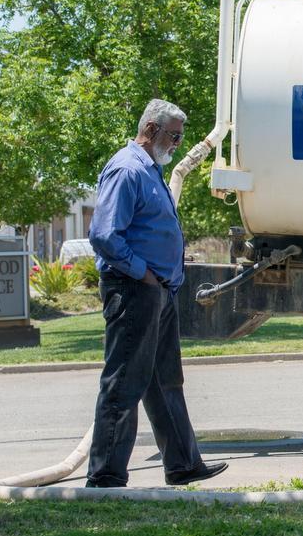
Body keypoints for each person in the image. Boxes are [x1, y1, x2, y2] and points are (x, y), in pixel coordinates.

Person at [85, 98, 227, 488]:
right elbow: (103, 235)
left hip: (158, 291)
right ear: (150, 130)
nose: (178, 144)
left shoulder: (150, 170)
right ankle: (105, 476)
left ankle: (182, 464)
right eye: (174, 136)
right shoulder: (127, 169)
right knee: (124, 383)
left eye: (180, 137)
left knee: (166, 382)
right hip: (134, 291)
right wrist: (144, 274)